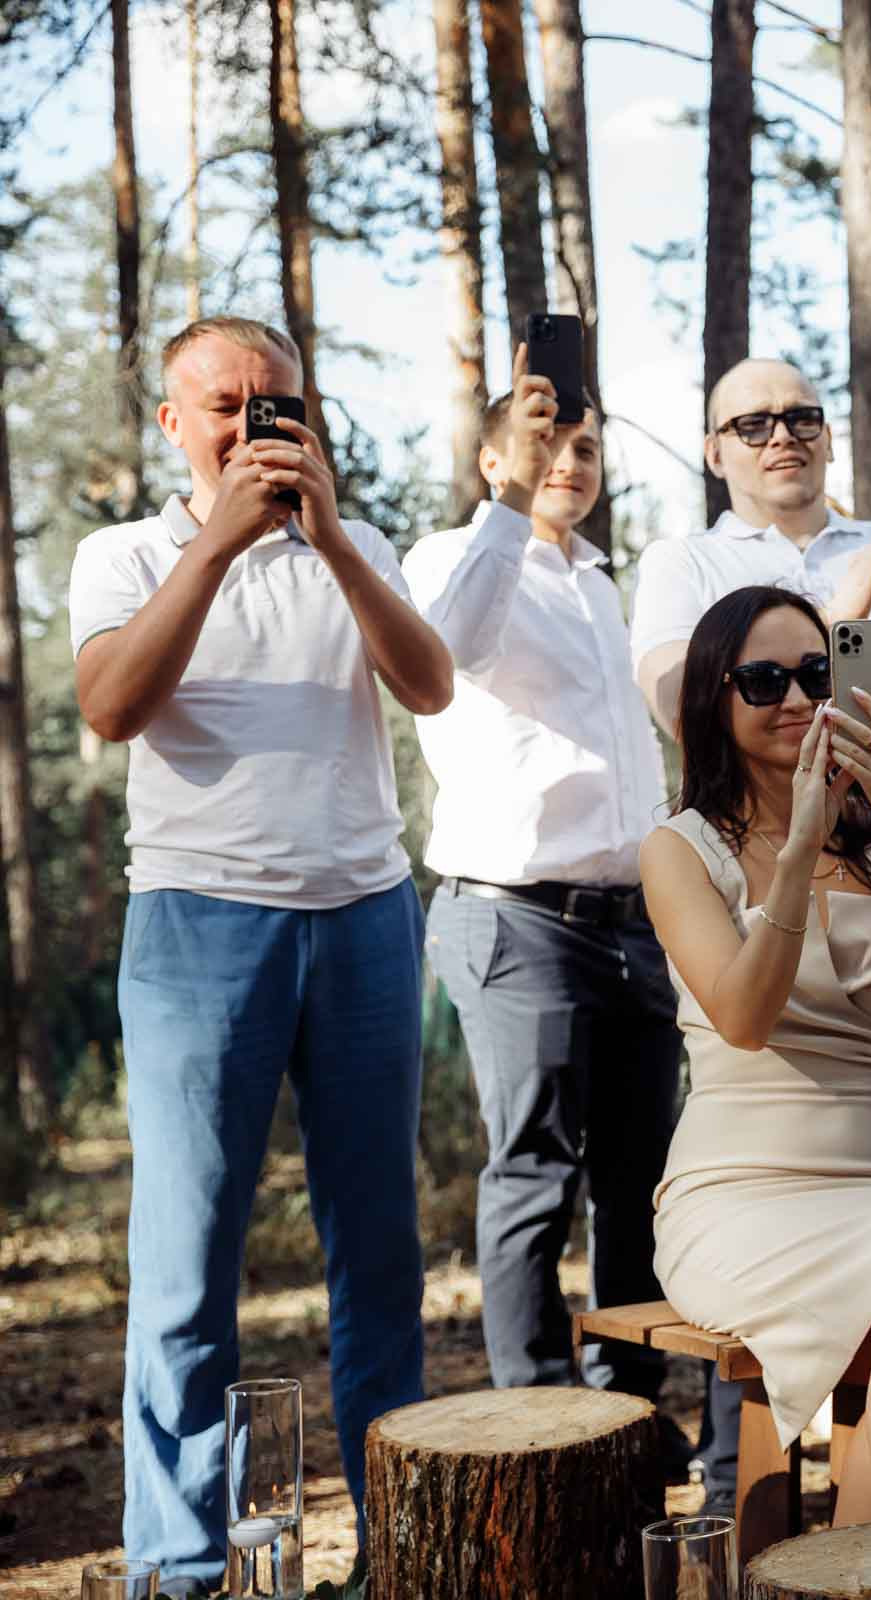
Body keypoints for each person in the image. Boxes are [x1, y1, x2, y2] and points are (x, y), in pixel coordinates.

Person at [69, 316, 451, 1587]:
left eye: (276, 404)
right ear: (172, 423)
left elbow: (431, 686)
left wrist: (330, 539)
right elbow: (114, 703)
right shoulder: (121, 555)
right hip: (199, 922)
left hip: (365, 917)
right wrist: (221, 545)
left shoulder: (359, 543)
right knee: (187, 1265)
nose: (253, 428)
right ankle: (178, 1567)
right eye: (224, 406)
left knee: (379, 1256)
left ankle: (398, 1548)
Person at [641, 585, 871, 1522]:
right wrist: (797, 847)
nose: (797, 697)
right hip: (738, 1193)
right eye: (763, 679)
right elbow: (745, 1017)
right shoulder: (682, 851)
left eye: (816, 673)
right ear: (713, 701)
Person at [403, 360, 681, 1410]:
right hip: (515, 915)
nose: (568, 461)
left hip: (632, 920)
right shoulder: (453, 556)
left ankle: (630, 1406)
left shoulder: (603, 586)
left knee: (636, 1181)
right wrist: (509, 507)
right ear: (493, 457)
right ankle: (535, 1412)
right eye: (545, 443)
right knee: (533, 1173)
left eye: (585, 448)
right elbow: (449, 649)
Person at [628, 359, 871, 788]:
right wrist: (832, 619)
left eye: (801, 418)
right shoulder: (680, 563)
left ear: (827, 439)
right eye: (753, 425)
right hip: (765, 848)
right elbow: (681, 708)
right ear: (714, 453)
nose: (782, 436)